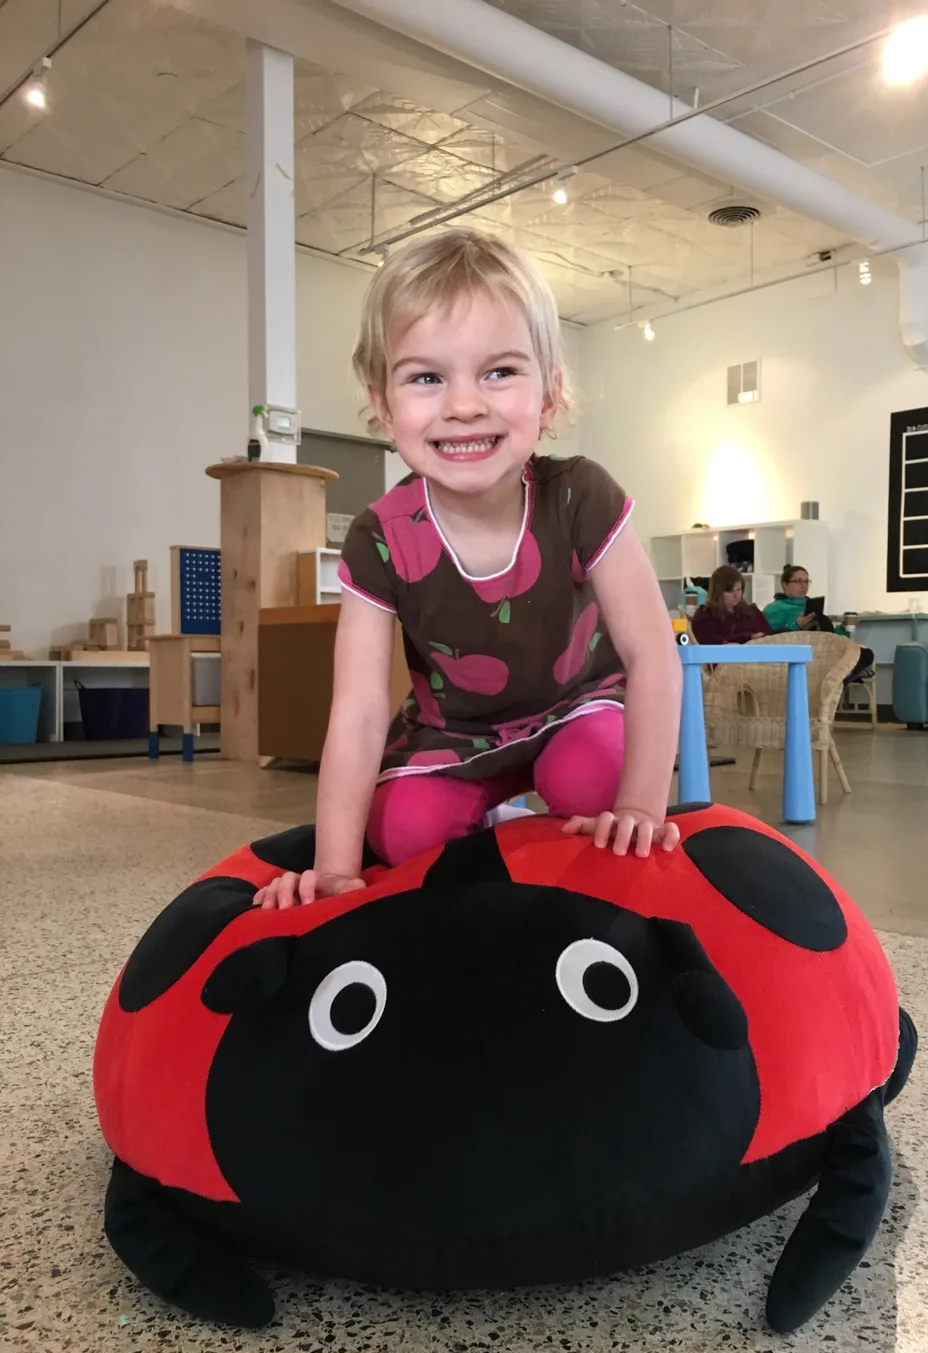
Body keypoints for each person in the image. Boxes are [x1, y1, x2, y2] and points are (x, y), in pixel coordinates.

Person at [257, 228, 682, 910]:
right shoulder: (380, 538)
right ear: (382, 399)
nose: (462, 405)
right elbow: (360, 710)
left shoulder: (581, 495)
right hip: (454, 736)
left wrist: (641, 806)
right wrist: (334, 869)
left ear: (549, 394)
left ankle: (542, 828)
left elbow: (652, 653)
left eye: (499, 371)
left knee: (596, 780)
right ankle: (500, 825)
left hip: (575, 710)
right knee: (401, 832)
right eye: (427, 377)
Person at [764, 564, 874, 681]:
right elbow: (771, 639)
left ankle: (843, 676)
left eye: (807, 582)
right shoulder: (774, 609)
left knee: (866, 654)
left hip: (823, 650)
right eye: (798, 582)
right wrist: (797, 625)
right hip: (801, 654)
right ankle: (844, 675)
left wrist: (843, 628)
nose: (804, 586)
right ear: (785, 585)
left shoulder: (811, 605)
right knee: (821, 621)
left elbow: (828, 634)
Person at [690, 566, 772, 645]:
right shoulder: (705, 615)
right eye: (730, 591)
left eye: (739, 589)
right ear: (718, 592)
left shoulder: (752, 612)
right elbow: (709, 641)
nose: (736, 595)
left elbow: (769, 635)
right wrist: (748, 637)